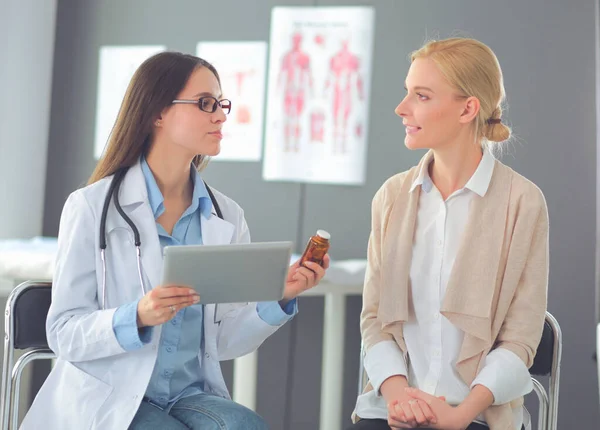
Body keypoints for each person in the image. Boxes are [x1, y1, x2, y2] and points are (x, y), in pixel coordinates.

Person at [22, 51, 330, 430]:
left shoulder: (226, 217)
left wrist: (279, 296)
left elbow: (225, 342)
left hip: (188, 397)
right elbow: (63, 332)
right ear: (158, 113)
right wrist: (135, 316)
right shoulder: (90, 207)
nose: (220, 115)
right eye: (205, 103)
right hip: (110, 394)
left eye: (221, 104)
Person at [349, 38, 548, 430]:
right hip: (393, 410)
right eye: (407, 92)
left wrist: (459, 415)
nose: (401, 108)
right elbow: (374, 320)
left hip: (478, 418)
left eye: (420, 96)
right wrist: (398, 397)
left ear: (468, 108)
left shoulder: (523, 202)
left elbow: (520, 340)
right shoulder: (391, 197)